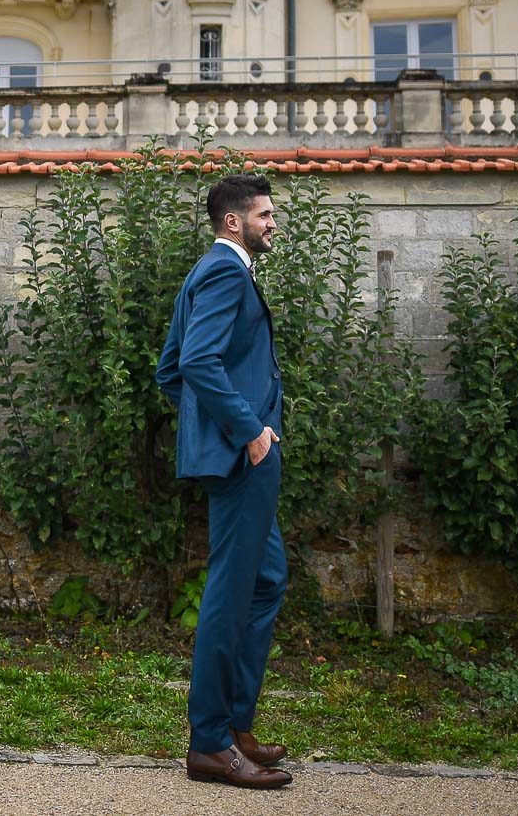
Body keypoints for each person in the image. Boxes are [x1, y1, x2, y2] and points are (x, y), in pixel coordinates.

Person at [154, 173, 293, 790]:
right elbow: (194, 363)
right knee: (231, 593)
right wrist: (246, 432)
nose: (273, 222)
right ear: (234, 221)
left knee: (267, 580)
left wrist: (211, 431)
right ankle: (209, 743)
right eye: (264, 214)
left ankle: (236, 724)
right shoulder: (224, 271)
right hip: (247, 458)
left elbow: (169, 371)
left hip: (241, 455)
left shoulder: (214, 271)